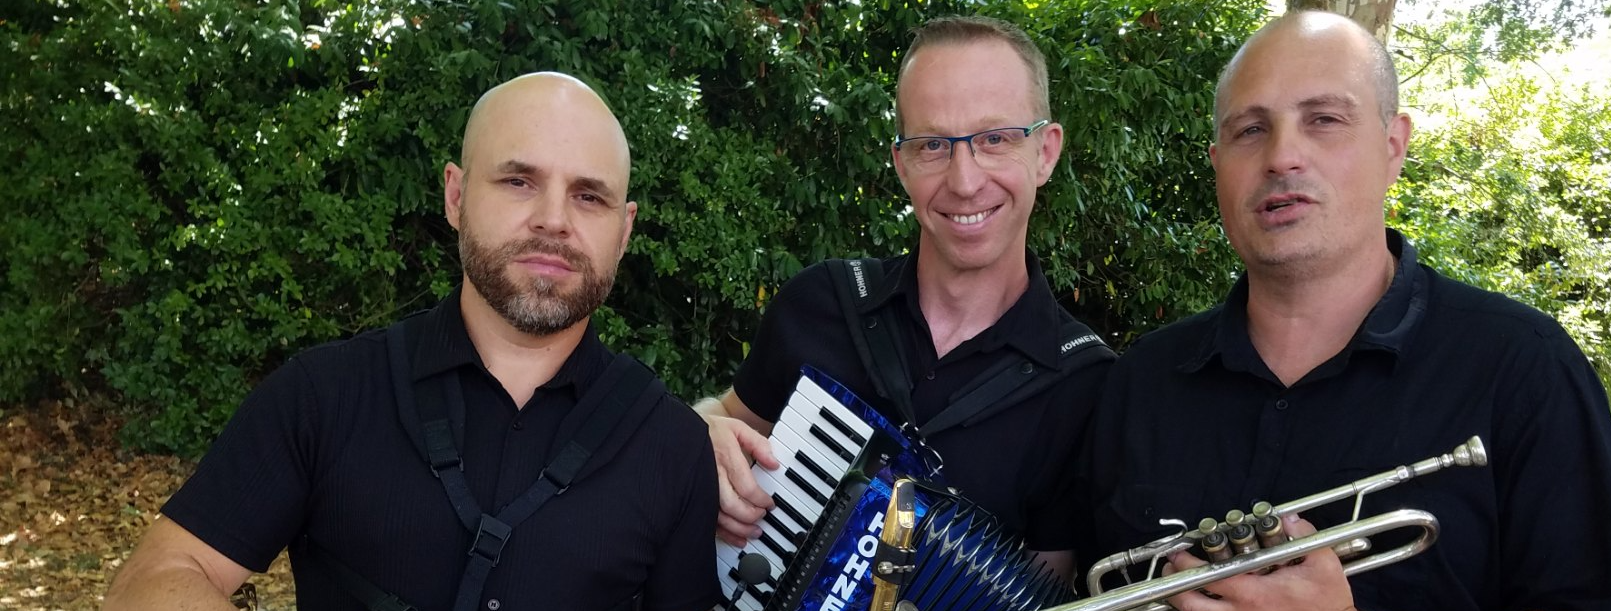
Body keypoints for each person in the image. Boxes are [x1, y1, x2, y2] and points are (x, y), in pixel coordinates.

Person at [1080, 11, 1611, 611]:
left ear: (1393, 147)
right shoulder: (1141, 383)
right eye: (1250, 130)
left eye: (1325, 120)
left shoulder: (1522, 370)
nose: (1282, 156)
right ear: (1217, 164)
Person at [104, 72, 720, 611]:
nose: (554, 219)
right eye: (518, 182)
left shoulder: (673, 448)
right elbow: (150, 581)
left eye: (589, 196)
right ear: (456, 196)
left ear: (623, 231)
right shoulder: (324, 395)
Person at [693, 16, 1114, 578]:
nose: (965, 181)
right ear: (900, 163)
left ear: (1045, 152)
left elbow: (1042, 591)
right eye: (933, 145)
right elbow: (724, 417)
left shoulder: (1087, 388)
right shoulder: (820, 303)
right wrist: (702, 435)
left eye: (995, 139)